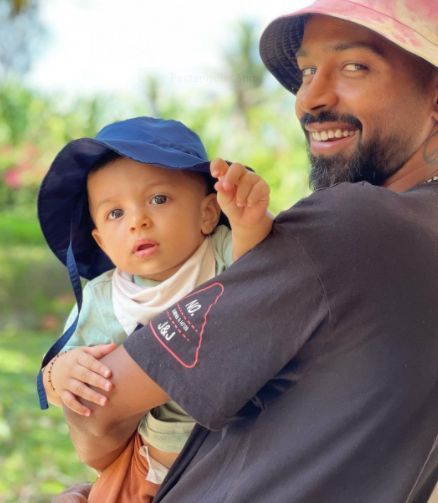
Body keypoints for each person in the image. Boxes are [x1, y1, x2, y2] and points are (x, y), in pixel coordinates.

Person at [53, 1, 438, 502]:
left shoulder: (351, 227)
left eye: (353, 66)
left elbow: (98, 411)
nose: (309, 99)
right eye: (306, 72)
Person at [37, 116, 272, 502]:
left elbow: (260, 276)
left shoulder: (222, 252)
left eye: (158, 199)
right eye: (115, 213)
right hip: (144, 460)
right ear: (100, 240)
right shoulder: (103, 298)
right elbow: (66, 370)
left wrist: (250, 222)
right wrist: (60, 375)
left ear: (208, 213)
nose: (138, 222)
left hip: (232, 455)